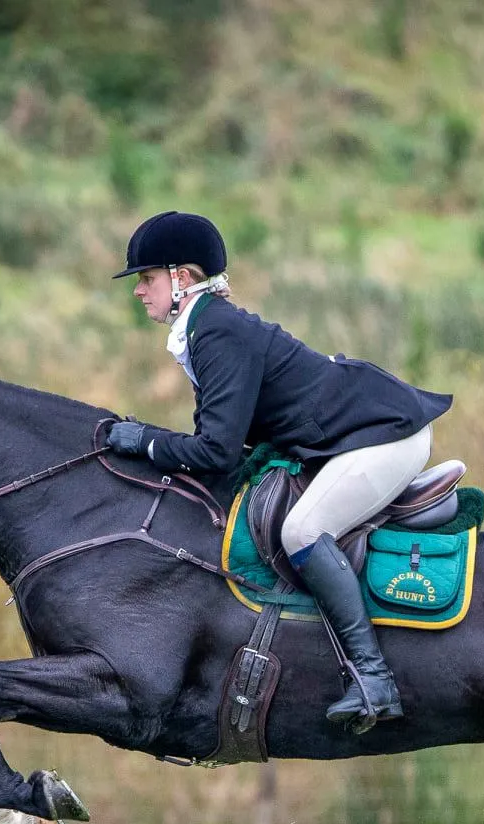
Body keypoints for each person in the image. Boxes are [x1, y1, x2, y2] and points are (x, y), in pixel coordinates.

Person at [104, 211, 452, 733]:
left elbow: (216, 452)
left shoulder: (216, 332)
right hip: (353, 434)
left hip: (386, 434)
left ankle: (373, 679)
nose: (139, 291)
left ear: (181, 278)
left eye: (147, 278)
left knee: (302, 531)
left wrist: (144, 440)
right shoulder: (207, 327)